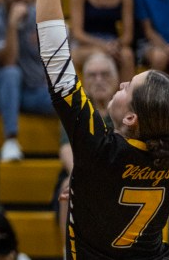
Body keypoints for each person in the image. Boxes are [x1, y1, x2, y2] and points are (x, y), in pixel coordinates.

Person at [37, 0, 169, 259]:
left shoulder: (99, 148)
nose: (121, 82)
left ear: (131, 118)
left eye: (127, 87)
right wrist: (94, 192)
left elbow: (56, 56)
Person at [0, 0, 56, 162]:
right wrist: (12, 25)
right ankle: (11, 141)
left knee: (67, 96)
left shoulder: (38, 17)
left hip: (31, 91)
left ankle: (77, 148)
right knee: (12, 74)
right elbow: (9, 61)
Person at [54, 52, 119, 250]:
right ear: (84, 80)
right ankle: (69, 251)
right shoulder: (76, 110)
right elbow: (66, 149)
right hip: (83, 171)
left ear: (116, 78)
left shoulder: (126, 107)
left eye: (105, 74)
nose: (99, 80)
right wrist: (88, 175)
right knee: (70, 183)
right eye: (92, 75)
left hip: (118, 171)